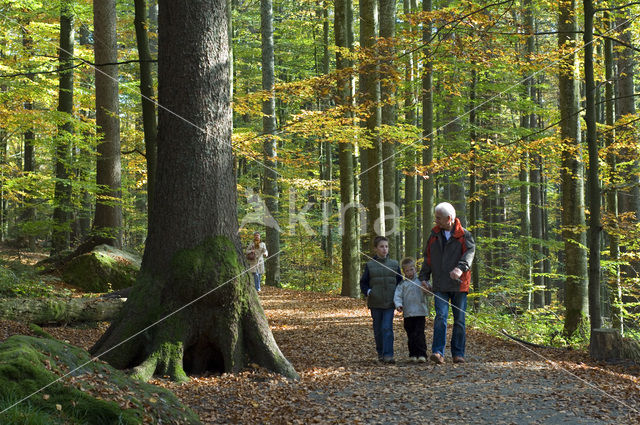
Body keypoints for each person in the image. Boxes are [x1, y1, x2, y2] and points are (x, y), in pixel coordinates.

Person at [419, 202, 475, 365]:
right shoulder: (434, 235)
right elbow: (428, 258)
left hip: (459, 285)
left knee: (459, 320)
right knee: (441, 317)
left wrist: (460, 268)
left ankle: (458, 354)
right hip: (440, 285)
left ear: (449, 219)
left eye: (438, 218)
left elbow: (470, 254)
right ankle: (438, 352)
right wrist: (424, 278)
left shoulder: (465, 235)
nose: (436, 221)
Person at [360, 236, 402, 364]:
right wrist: (369, 292)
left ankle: (389, 355)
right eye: (381, 246)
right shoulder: (370, 265)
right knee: (378, 330)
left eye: (386, 246)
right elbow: (363, 283)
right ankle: (381, 353)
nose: (384, 249)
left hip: (390, 303)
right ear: (375, 249)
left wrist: (399, 301)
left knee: (387, 328)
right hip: (375, 303)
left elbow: (400, 283)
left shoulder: (394, 264)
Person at [394, 257, 429, 363]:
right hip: (408, 314)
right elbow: (397, 296)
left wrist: (427, 289)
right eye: (407, 270)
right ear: (404, 272)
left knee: (419, 334)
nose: (410, 272)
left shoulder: (420, 282)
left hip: (420, 312)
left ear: (415, 269)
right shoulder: (402, 284)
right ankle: (413, 354)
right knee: (411, 334)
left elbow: (429, 292)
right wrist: (399, 305)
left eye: (411, 269)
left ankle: (422, 354)